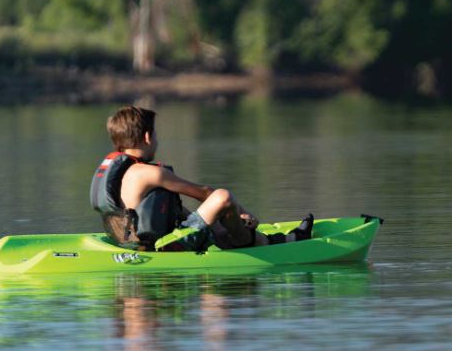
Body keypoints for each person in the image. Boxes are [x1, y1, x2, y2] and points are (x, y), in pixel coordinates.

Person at [90, 105, 312, 251]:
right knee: (222, 197)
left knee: (203, 217)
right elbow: (206, 193)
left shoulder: (118, 172)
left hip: (132, 244)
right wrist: (244, 212)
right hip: (164, 247)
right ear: (148, 137)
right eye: (155, 134)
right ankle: (259, 243)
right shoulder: (151, 173)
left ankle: (253, 238)